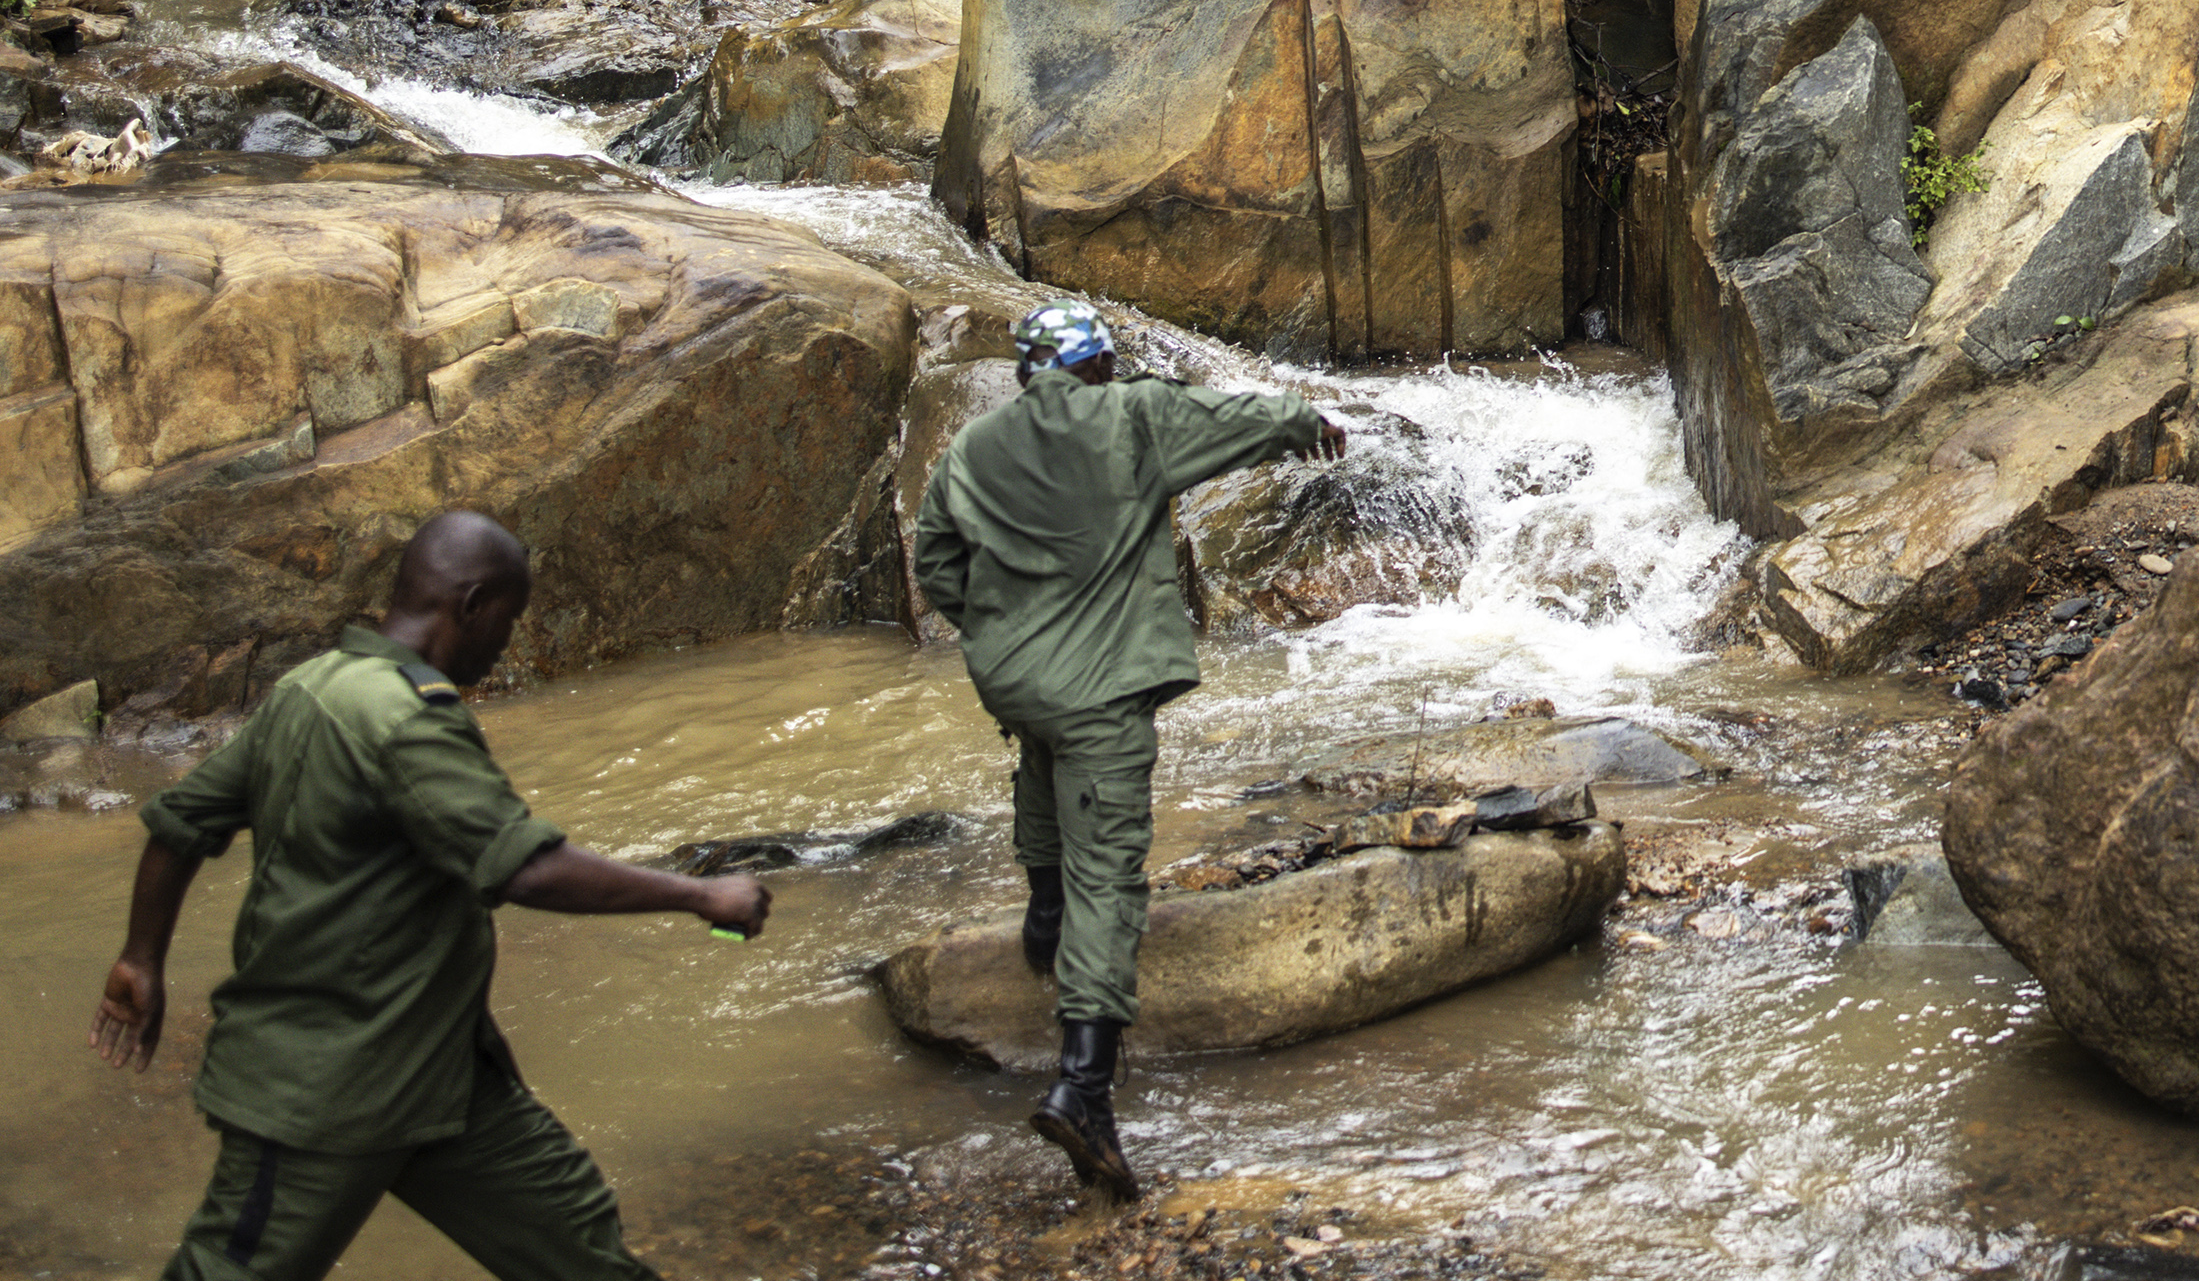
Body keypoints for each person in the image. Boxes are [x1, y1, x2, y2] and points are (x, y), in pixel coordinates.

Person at [90, 509, 773, 1281]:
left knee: (581, 1250)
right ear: (472, 603)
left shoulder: (309, 688)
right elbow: (524, 867)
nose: (508, 640)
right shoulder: (405, 719)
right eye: (510, 619)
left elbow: (179, 823)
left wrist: (141, 958)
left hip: (439, 1079)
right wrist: (697, 894)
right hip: (326, 1092)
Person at [911, 301, 1344, 1204]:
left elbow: (936, 564)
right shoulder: (1131, 416)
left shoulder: (973, 448)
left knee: (1039, 760)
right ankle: (1084, 1087)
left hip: (1015, 679)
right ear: (1099, 368)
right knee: (1108, 871)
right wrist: (1311, 422)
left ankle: (1040, 923)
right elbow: (1243, 418)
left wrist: (994, 629)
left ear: (1031, 373)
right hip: (1101, 686)